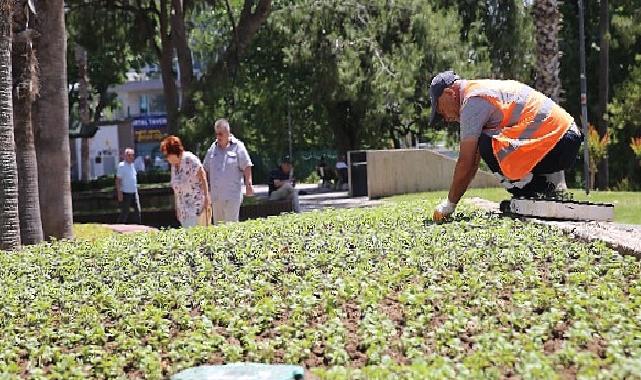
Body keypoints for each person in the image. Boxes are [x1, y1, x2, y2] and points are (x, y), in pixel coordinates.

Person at [428, 70, 583, 221]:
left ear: (450, 93)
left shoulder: (472, 102)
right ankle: (539, 188)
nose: (445, 118)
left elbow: (466, 162)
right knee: (487, 142)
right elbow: (472, 162)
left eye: (441, 111)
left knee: (487, 143)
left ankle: (532, 190)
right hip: (567, 138)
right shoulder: (480, 90)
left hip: (560, 142)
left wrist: (449, 205)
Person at [203, 119, 255, 224]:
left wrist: (248, 184)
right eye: (217, 134)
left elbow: (247, 166)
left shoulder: (238, 146)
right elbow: (205, 169)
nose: (218, 137)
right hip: (216, 197)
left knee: (231, 226)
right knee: (219, 226)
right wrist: (206, 190)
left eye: (221, 134)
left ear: (227, 132)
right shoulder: (213, 148)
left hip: (232, 195)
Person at [161, 136, 212, 228]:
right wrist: (177, 207)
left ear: (174, 152)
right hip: (183, 209)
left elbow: (203, 176)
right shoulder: (174, 166)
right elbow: (176, 188)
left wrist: (207, 198)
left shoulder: (190, 159)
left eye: (167, 155)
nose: (166, 158)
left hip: (196, 206)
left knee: (197, 236)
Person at [116, 148, 141, 224]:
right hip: (126, 193)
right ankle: (119, 227)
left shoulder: (132, 166)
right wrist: (119, 193)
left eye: (132, 155)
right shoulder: (121, 166)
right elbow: (118, 180)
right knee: (125, 212)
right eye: (129, 155)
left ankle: (138, 226)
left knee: (137, 211)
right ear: (125, 156)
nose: (131, 157)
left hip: (134, 192)